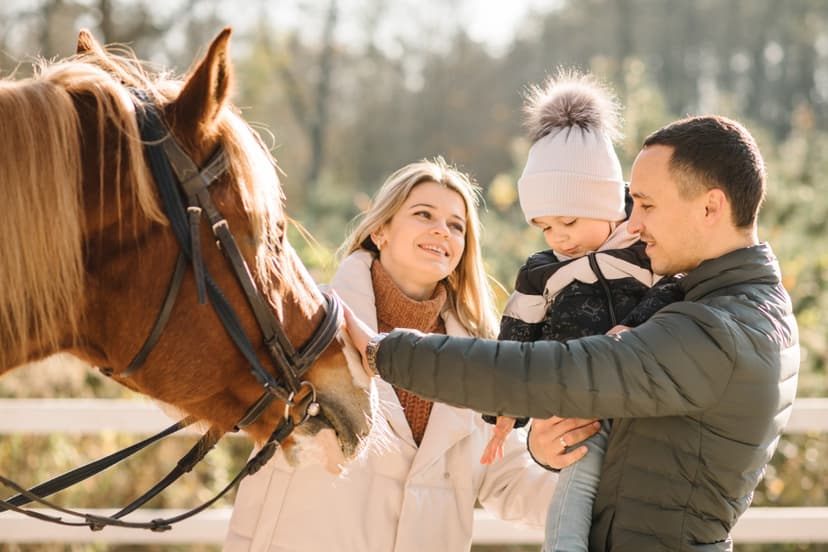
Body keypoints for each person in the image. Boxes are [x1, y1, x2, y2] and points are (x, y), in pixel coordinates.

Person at [346, 116, 800, 551]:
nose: (633, 224)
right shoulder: (725, 304)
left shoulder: (716, 328)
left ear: (710, 207)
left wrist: (383, 352)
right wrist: (547, 449)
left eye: (647, 204)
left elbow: (555, 373)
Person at [224, 158, 599, 552]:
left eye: (457, 225)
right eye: (424, 214)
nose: (442, 230)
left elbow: (507, 479)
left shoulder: (482, 358)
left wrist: (589, 492)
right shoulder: (305, 321)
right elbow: (214, 397)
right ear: (380, 231)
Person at [478, 71, 683, 552]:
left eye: (568, 221)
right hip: (581, 405)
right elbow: (516, 340)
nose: (558, 238)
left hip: (646, 402)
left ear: (610, 202)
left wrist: (630, 327)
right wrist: (505, 414)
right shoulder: (540, 273)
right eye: (545, 227)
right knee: (574, 488)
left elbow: (676, 291)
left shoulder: (649, 251)